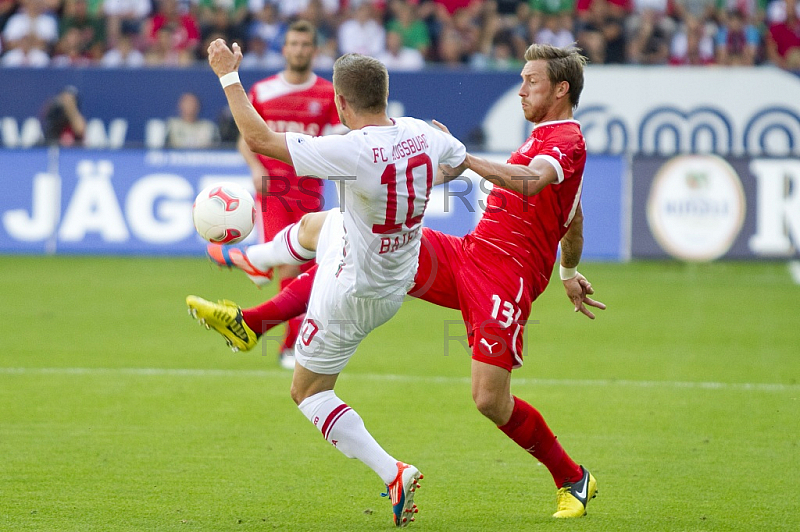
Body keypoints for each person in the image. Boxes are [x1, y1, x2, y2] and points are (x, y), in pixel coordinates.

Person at [196, 43, 605, 519]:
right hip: (468, 252)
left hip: (505, 278)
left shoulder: (566, 142)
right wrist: (570, 271)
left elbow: (532, 182)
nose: (520, 90)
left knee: (489, 399)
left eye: (530, 82)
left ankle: (573, 478)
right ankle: (255, 308)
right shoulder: (534, 138)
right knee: (342, 231)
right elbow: (572, 215)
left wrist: (468, 162)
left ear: (560, 89)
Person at [189, 40, 469, 527]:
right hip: (395, 270)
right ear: (385, 94)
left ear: (340, 103)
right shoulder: (421, 133)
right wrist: (434, 168)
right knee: (324, 223)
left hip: (356, 293)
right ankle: (255, 264)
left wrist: (227, 76)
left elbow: (259, 139)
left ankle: (393, 471)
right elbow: (457, 160)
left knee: (308, 393)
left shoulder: (351, 149)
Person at [235, 20, 345, 371]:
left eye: (305, 44)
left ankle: (252, 261)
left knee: (308, 269)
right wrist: (255, 168)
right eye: (293, 44)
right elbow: (247, 137)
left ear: (314, 51)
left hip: (309, 191)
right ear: (284, 49)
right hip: (273, 190)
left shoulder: (328, 94)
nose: (299, 50)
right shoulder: (263, 91)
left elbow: (335, 144)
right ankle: (291, 345)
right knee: (291, 264)